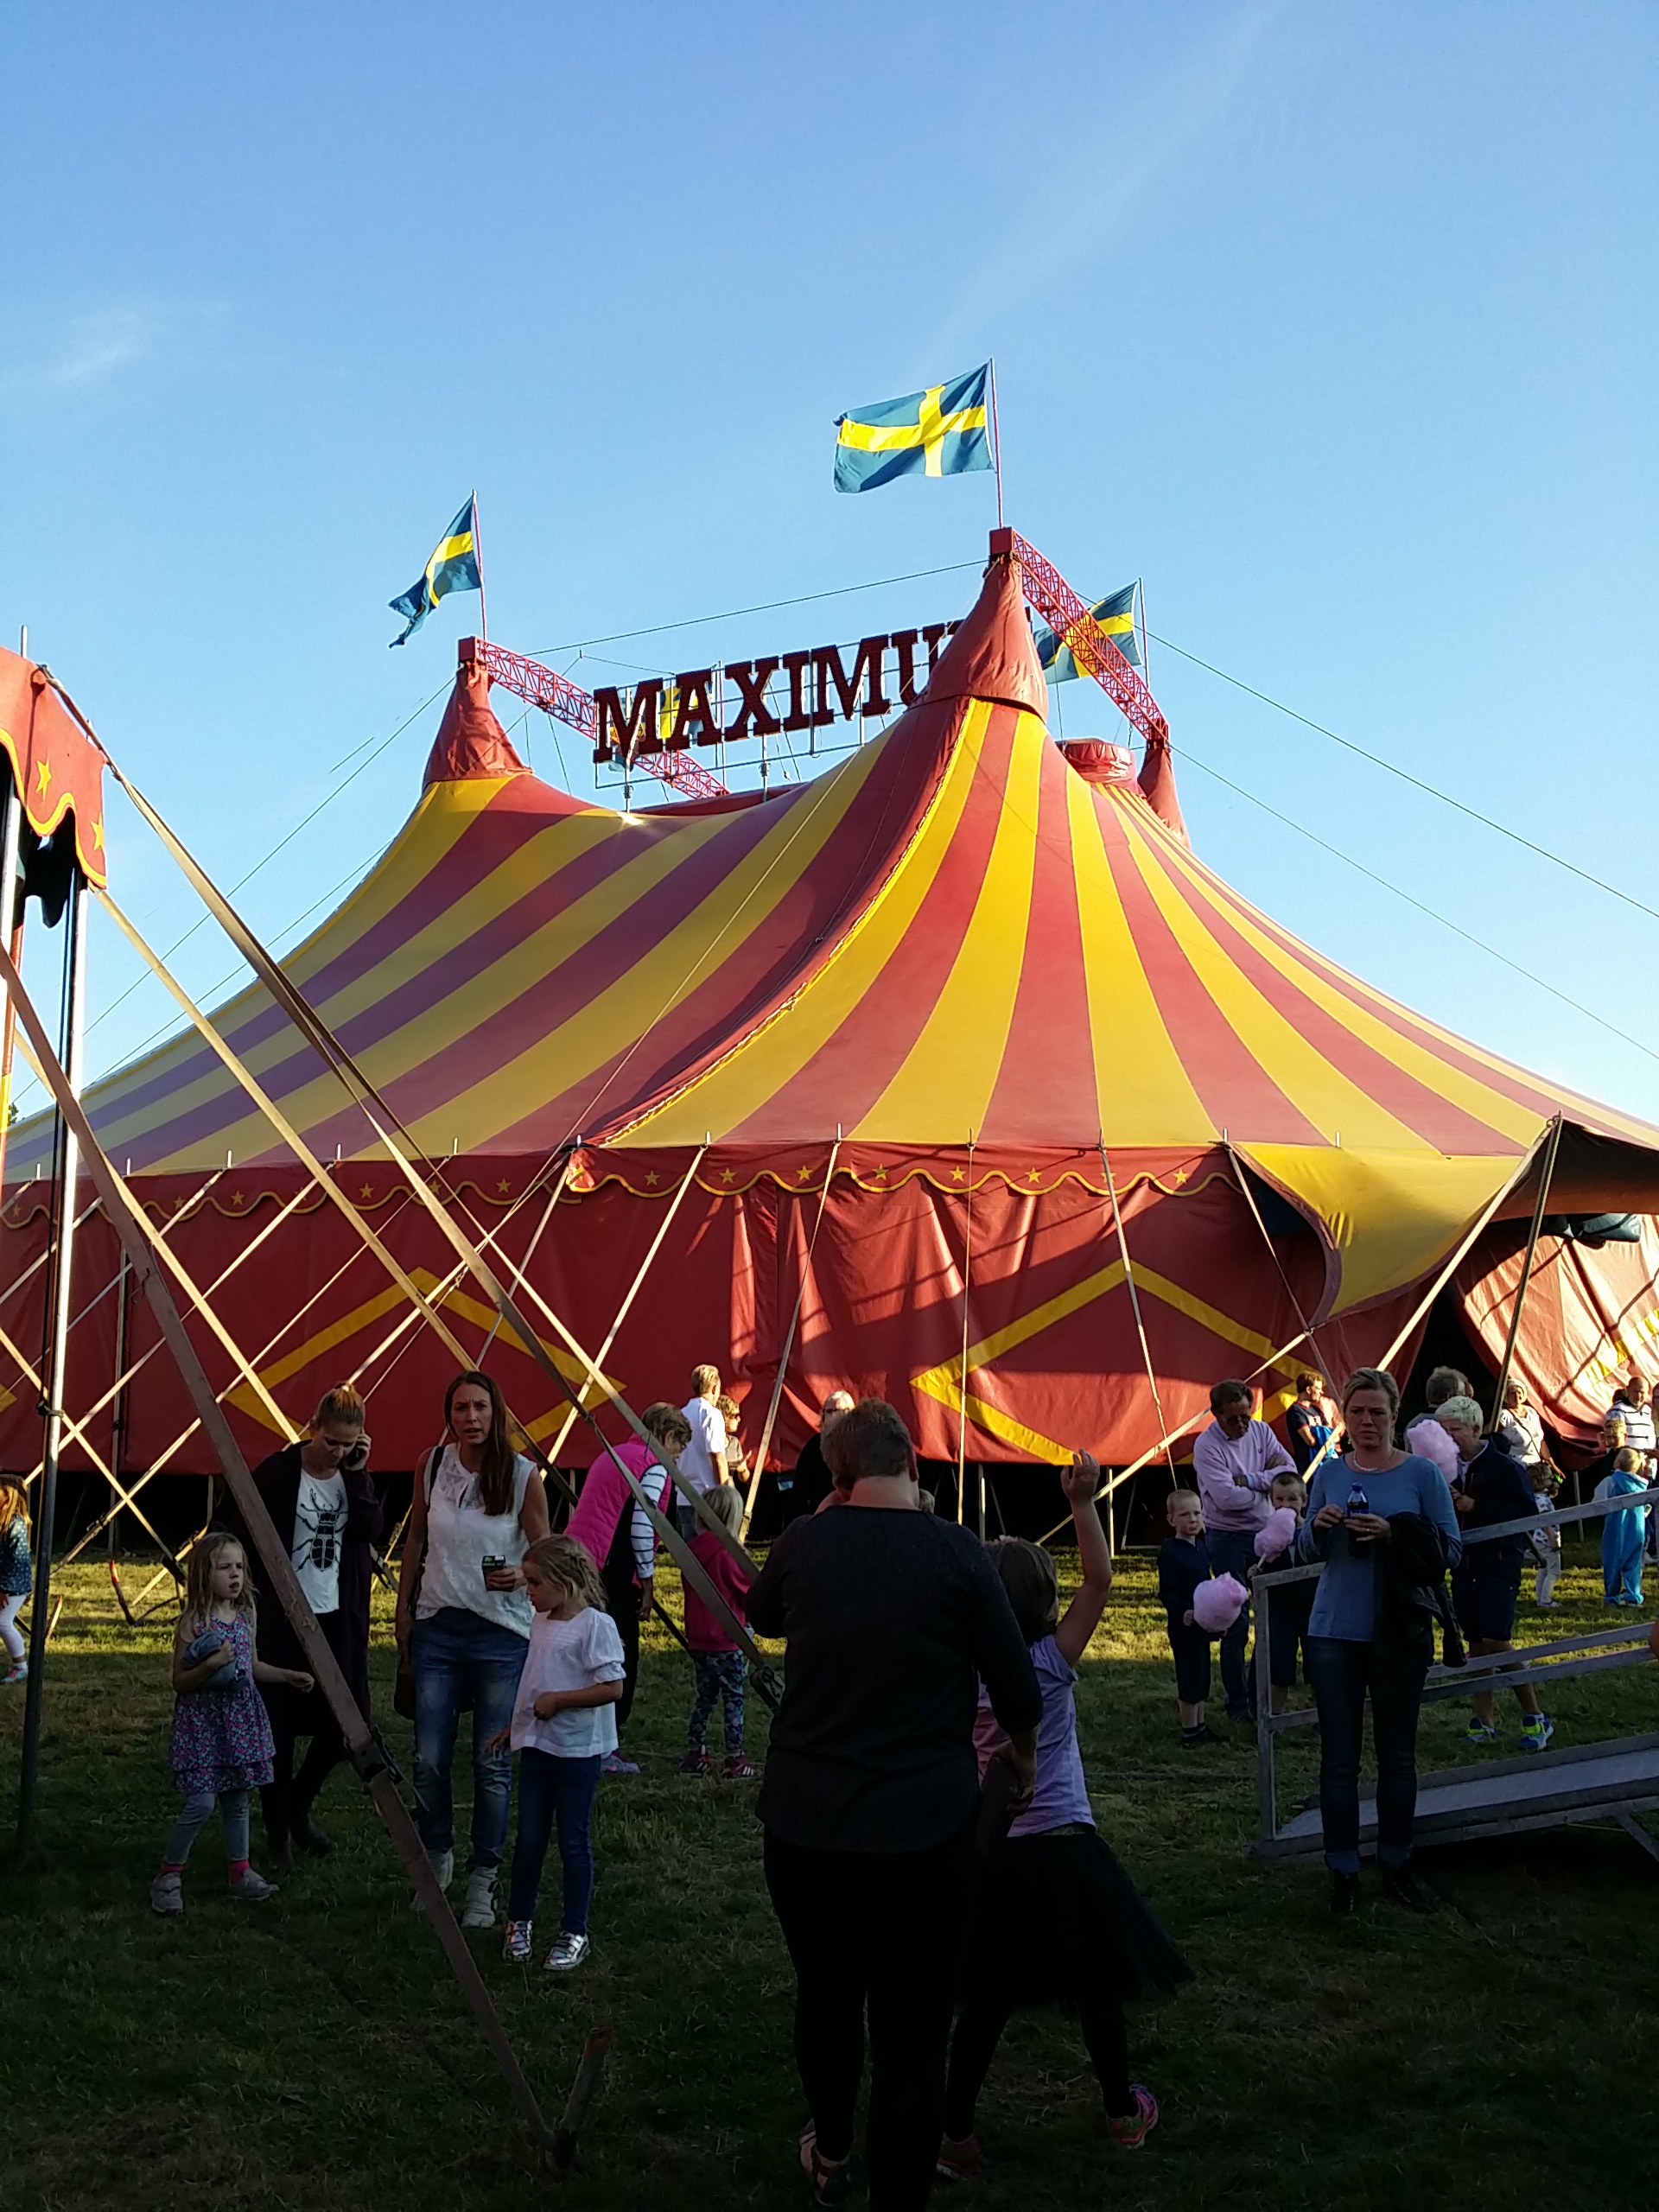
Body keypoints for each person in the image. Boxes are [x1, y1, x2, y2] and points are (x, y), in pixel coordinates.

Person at [746, 1397, 1040, 2212]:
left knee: (827, 1995)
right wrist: (1021, 1756)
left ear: (837, 1478)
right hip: (925, 1829)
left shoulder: (805, 1541)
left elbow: (760, 1615)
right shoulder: (958, 1552)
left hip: (806, 1821)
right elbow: (1018, 1689)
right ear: (913, 1463)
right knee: (913, 2029)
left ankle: (833, 2147)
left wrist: (820, 1524)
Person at [939, 1454, 1190, 2177]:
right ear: (1043, 1601)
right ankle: (1121, 2111)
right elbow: (1101, 1581)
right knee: (1096, 1984)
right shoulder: (1050, 1661)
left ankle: (954, 2133)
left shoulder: (958, 1674)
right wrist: (1082, 1504)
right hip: (1065, 1847)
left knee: (985, 2000)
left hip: (993, 1851)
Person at [1294, 1366, 1461, 1916]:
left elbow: (1451, 1551)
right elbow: (1302, 1552)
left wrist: (1393, 1534)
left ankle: (1397, 1862)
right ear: (1344, 1416)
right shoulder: (1329, 1473)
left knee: (1397, 1755)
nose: (1367, 1421)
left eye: (1378, 1412)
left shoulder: (1422, 1474)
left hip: (1399, 1631)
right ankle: (1343, 1869)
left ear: (1395, 1415)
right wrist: (1317, 1529)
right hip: (1332, 1632)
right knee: (1339, 1760)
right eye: (1357, 1412)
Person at [395, 1370, 550, 1929]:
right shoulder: (431, 1465)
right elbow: (416, 1537)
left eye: (480, 1407)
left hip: (500, 1632)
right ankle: (438, 1854)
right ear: (450, 1415)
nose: (471, 1418)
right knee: (429, 1758)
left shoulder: (521, 1475)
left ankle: (484, 1877)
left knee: (491, 1762)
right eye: (461, 1408)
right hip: (438, 1624)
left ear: (496, 1412)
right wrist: (403, 1608)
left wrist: (525, 1574)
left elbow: (545, 1548)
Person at [219, 1382, 381, 1866]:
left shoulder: (352, 1478)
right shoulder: (280, 1471)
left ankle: (299, 1803)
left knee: (346, 1723)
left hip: (336, 1616)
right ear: (312, 1427)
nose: (337, 1452)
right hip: (281, 1617)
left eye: (348, 1444)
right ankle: (279, 1833)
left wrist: (358, 1475)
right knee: (279, 1726)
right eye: (331, 1441)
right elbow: (233, 1523)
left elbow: (372, 1529)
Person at [150, 1532, 311, 1915]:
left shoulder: (245, 1615)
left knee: (238, 1799)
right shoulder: (194, 1622)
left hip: (238, 1722)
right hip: (204, 1725)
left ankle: (240, 1873)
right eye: (225, 1567)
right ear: (203, 1575)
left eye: (239, 1567)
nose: (235, 1574)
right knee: (202, 1802)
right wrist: (210, 1665)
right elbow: (180, 1681)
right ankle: (168, 1877)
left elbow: (251, 1666)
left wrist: (288, 1675)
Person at [493, 1535, 626, 1973]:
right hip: (538, 1747)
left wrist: (560, 1701)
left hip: (576, 1753)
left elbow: (612, 1687)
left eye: (534, 1583)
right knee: (529, 1838)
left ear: (564, 1583)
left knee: (572, 1840)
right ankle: (519, 1921)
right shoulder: (540, 1623)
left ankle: (574, 1930)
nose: (527, 1591)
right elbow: (535, 1681)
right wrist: (516, 1727)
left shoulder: (594, 1626)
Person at [565, 1402, 679, 1776]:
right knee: (616, 1656)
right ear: (667, 1437)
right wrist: (646, 1581)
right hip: (611, 1568)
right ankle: (605, 1747)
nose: (676, 1459)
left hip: (581, 1559)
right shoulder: (653, 1465)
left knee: (584, 1653)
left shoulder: (615, 1453)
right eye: (678, 1449)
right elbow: (643, 1526)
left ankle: (582, 1740)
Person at [1435, 1395, 1552, 1751]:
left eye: (1455, 1430)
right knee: (1475, 1643)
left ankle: (1535, 1715)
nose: (1449, 1438)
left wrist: (1477, 1506)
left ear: (1475, 1428)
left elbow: (1525, 1512)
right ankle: (1484, 1721)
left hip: (1498, 1562)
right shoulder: (1444, 1469)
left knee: (1496, 1638)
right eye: (1443, 1431)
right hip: (1463, 1564)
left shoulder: (1504, 1467)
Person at [1190, 1381, 1294, 1721]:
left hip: (1266, 1533)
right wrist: (1268, 1485)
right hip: (1227, 1537)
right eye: (1232, 1419)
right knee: (1234, 1622)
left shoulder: (1262, 1431)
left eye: (1245, 1416)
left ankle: (1258, 1697)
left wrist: (1249, 1480)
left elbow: (1289, 1473)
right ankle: (1237, 1703)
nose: (1241, 1425)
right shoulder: (1207, 1446)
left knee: (1272, 1620)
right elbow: (1225, 1498)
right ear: (1216, 1415)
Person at [680, 1480, 755, 1779]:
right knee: (733, 1698)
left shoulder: (691, 1551)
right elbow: (748, 1593)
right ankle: (734, 1757)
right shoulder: (729, 1555)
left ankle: (694, 1752)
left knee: (705, 1696)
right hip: (727, 1639)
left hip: (699, 1637)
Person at [1157, 1489, 1216, 1745]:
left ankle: (1201, 1726)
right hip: (1184, 1626)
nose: (1192, 1519)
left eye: (1197, 1513)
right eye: (1184, 1514)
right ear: (1171, 1520)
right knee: (1190, 1677)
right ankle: (1189, 1732)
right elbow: (1167, 1592)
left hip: (1202, 1623)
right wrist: (1183, 1611)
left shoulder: (1201, 1547)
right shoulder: (1170, 1553)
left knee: (1202, 1676)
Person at [1256, 1471, 1315, 1714]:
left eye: (1292, 1499)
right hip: (1280, 1611)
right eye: (1279, 1499)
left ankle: (1322, 1717)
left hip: (1313, 1609)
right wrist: (1255, 1571)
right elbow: (1259, 1567)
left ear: (1304, 1501)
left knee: (1318, 1667)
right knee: (1279, 1670)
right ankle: (1273, 1718)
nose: (1285, 1505)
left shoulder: (1312, 1533)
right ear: (1271, 1500)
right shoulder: (1266, 1535)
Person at [782, 1389, 856, 1522]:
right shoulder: (814, 1446)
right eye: (829, 1411)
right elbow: (800, 1491)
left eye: (839, 1410)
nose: (833, 1415)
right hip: (820, 1517)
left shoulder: (860, 1445)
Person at [677, 1363, 728, 1535]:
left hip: (684, 1494)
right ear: (714, 1388)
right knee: (712, 1546)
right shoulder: (711, 1414)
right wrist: (725, 1492)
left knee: (690, 1548)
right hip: (708, 1495)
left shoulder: (681, 1414)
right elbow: (718, 1458)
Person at [1600, 1446, 1650, 1605]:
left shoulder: (1611, 1481)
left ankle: (1612, 1595)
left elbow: (1598, 1501)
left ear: (1618, 1463)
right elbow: (1647, 1507)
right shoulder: (1642, 1486)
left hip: (1615, 1528)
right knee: (1634, 1563)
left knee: (1612, 1562)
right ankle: (1633, 1595)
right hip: (1636, 1528)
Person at [0, 1474, 31, 1684]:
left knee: (3, 1623)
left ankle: (21, 1666)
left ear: (8, 1496)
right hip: (4, 1584)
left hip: (13, 1586)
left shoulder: (15, 1525)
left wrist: (3, 1589)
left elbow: (16, 1562)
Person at [1286, 1372, 1338, 1476]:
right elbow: (1310, 1441)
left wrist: (1319, 1433)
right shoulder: (1295, 1411)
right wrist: (1324, 1434)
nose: (1321, 1392)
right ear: (1309, 1390)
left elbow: (1335, 1437)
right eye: (1318, 1388)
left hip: (1325, 1466)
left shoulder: (1316, 1410)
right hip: (1308, 1469)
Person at [1528, 1459, 1563, 1610]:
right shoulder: (1541, 1500)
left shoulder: (1537, 1497)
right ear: (1540, 1481)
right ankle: (1546, 1600)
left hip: (1538, 1539)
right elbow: (1545, 1521)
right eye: (1549, 1478)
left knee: (1543, 1568)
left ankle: (1540, 1598)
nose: (1552, 1479)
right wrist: (1553, 1539)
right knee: (1554, 1571)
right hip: (1546, 1539)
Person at [1495, 1379, 1548, 1472]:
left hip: (1537, 1468)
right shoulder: (1504, 1415)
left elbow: (1541, 1440)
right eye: (1512, 1393)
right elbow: (1490, 1434)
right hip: (1517, 1468)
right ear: (1506, 1396)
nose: (1516, 1395)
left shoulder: (1531, 1412)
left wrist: (1551, 1463)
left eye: (1519, 1392)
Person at [1608, 1375, 1656, 1471]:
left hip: (1647, 1466)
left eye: (1642, 1392)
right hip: (1627, 1466)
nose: (1638, 1396)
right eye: (1636, 1391)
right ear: (1628, 1390)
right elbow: (1615, 1441)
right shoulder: (1618, 1410)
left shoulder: (1647, 1410)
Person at [717, 1393, 750, 1487]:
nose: (739, 1419)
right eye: (735, 1416)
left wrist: (743, 1469)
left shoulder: (734, 1442)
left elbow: (744, 1478)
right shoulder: (710, 1442)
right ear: (724, 1417)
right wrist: (730, 1464)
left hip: (730, 1491)